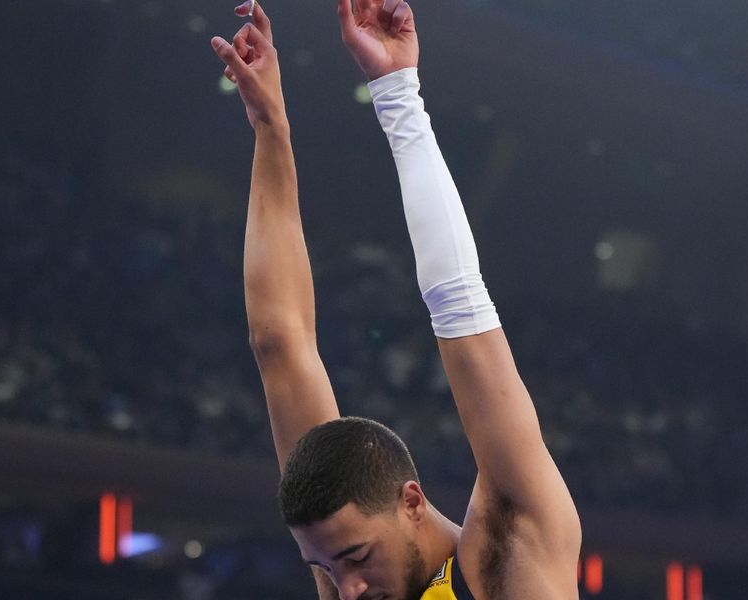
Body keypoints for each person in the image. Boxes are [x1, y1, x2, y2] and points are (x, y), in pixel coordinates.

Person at [210, 1, 581, 598]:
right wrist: (269, 128)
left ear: (411, 502)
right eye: (326, 568)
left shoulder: (510, 556)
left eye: (355, 557)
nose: (345, 589)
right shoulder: (345, 560)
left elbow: (460, 303)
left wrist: (398, 95)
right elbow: (279, 342)